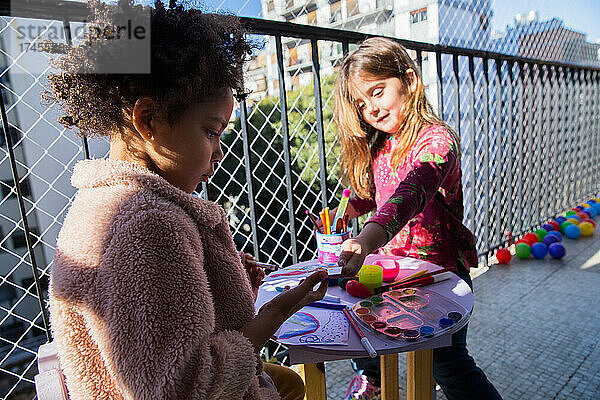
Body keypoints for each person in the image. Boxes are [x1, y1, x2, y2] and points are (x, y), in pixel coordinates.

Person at [45, 1, 327, 399]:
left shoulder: (103, 202)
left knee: (290, 383)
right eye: (212, 131)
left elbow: (155, 323)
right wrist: (275, 314)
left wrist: (223, 279)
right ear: (148, 120)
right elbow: (184, 387)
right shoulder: (147, 224)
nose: (220, 151)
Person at [331, 37, 503, 400]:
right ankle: (371, 380)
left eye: (377, 92)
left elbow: (409, 195)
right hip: (391, 271)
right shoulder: (381, 144)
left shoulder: (437, 142)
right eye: (361, 104)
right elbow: (378, 194)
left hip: (438, 275)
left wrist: (365, 240)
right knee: (362, 332)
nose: (371, 110)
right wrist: (351, 207)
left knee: (448, 364)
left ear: (409, 81)